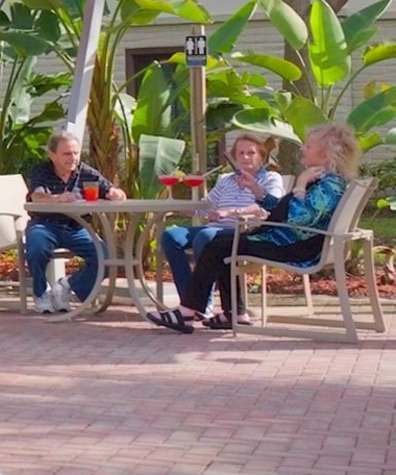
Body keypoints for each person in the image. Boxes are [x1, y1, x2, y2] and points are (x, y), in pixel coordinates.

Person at [149, 123, 359, 333]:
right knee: (222, 243)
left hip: (294, 247)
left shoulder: (328, 186)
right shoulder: (324, 181)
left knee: (219, 246)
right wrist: (257, 190)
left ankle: (187, 312)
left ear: (326, 154)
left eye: (309, 146)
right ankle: (235, 313)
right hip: (290, 241)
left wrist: (300, 184)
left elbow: (298, 217)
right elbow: (282, 210)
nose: (302, 148)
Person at [156, 133, 284, 315]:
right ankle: (190, 302)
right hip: (215, 228)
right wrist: (177, 206)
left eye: (251, 153)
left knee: (205, 236)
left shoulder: (270, 178)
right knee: (170, 236)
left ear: (262, 157)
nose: (245, 157)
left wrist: (230, 212)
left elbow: (269, 207)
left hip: (244, 231)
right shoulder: (226, 180)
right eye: (240, 153)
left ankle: (202, 304)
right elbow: (204, 208)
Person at [24, 130, 126, 313]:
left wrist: (116, 193)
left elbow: (114, 191)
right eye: (67, 154)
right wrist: (57, 198)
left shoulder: (86, 172)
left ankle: (66, 285)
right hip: (45, 224)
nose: (73, 158)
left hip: (77, 227)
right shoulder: (42, 170)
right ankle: (41, 294)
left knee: (107, 258)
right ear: (52, 155)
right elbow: (36, 196)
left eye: (75, 153)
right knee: (37, 247)